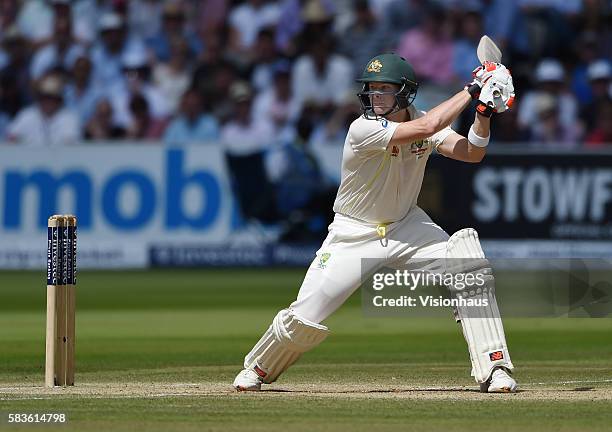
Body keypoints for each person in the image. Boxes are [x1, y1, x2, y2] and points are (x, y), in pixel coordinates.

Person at [232, 53, 518, 393]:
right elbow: (426, 129)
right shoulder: (362, 128)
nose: (374, 96)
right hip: (354, 233)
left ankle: (495, 367)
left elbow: (472, 152)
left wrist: (483, 114)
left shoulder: (426, 120)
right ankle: (259, 368)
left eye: (384, 89)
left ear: (405, 93)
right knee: (305, 315)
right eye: (370, 89)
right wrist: (474, 87)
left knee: (470, 268)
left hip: (406, 225)